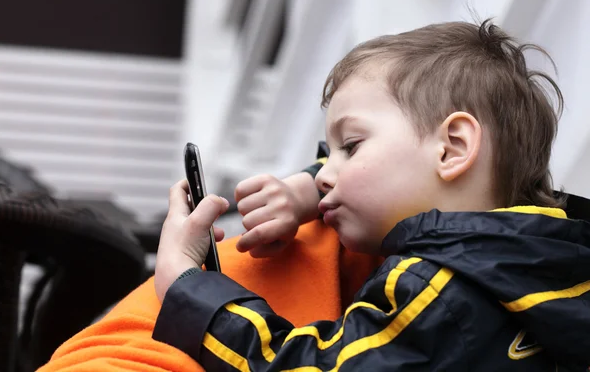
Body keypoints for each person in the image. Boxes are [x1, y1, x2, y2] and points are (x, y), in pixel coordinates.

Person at [150, 20, 590, 371]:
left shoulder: (434, 290)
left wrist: (186, 288)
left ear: (453, 147)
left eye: (352, 145)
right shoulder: (553, 259)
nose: (326, 174)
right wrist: (304, 190)